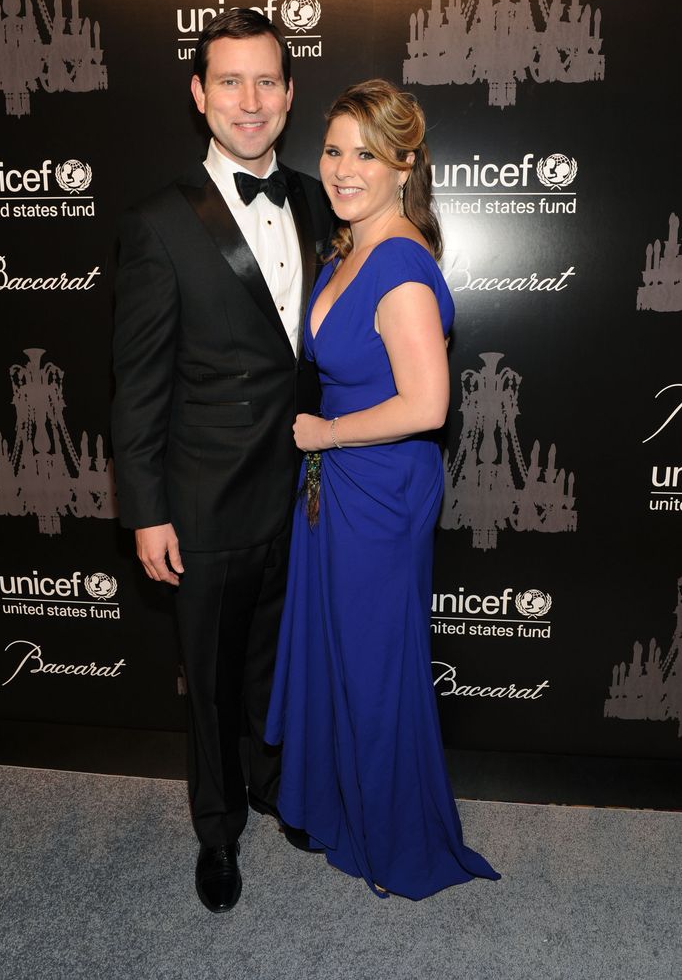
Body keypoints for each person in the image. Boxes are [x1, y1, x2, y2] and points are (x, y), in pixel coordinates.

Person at [111, 9, 332, 914]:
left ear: (288, 93)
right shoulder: (159, 223)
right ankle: (217, 830)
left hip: (304, 494)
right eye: (230, 82)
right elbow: (136, 384)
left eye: (267, 81)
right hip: (201, 502)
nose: (251, 101)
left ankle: (277, 787)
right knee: (206, 679)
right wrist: (145, 508)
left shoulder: (321, 199)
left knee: (276, 665)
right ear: (200, 95)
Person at [264, 79, 500, 899]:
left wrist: (323, 433)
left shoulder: (397, 259)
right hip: (337, 486)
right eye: (333, 149)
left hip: (378, 485)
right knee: (341, 654)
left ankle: (396, 833)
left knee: (372, 664)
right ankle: (340, 809)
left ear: (405, 166)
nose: (343, 167)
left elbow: (427, 403)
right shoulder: (350, 246)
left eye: (366, 152)